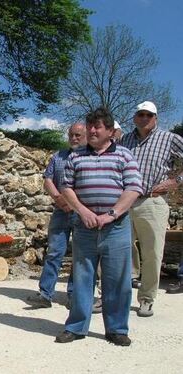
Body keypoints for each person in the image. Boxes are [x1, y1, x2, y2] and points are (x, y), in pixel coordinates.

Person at [55, 107, 143, 347]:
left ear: (110, 131)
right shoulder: (75, 156)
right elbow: (66, 188)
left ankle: (116, 329)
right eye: (90, 125)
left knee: (117, 280)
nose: (92, 130)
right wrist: (83, 211)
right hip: (84, 227)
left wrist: (111, 214)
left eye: (98, 126)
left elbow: (133, 189)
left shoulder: (124, 155)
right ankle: (76, 327)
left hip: (116, 227)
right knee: (83, 277)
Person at [119, 101, 183, 316]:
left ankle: (146, 298)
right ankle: (113, 295)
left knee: (152, 253)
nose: (144, 118)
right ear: (135, 117)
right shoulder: (125, 139)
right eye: (140, 114)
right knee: (118, 251)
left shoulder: (170, 138)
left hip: (152, 201)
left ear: (155, 118)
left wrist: (176, 181)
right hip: (124, 201)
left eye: (149, 114)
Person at [27, 123, 86, 309]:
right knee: (54, 252)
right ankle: (45, 294)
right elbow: (48, 179)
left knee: (80, 256)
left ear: (85, 136)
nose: (74, 138)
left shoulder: (90, 158)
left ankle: (74, 295)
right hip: (61, 211)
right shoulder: (58, 156)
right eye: (71, 135)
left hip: (82, 212)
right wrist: (58, 198)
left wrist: (74, 204)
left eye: (78, 135)